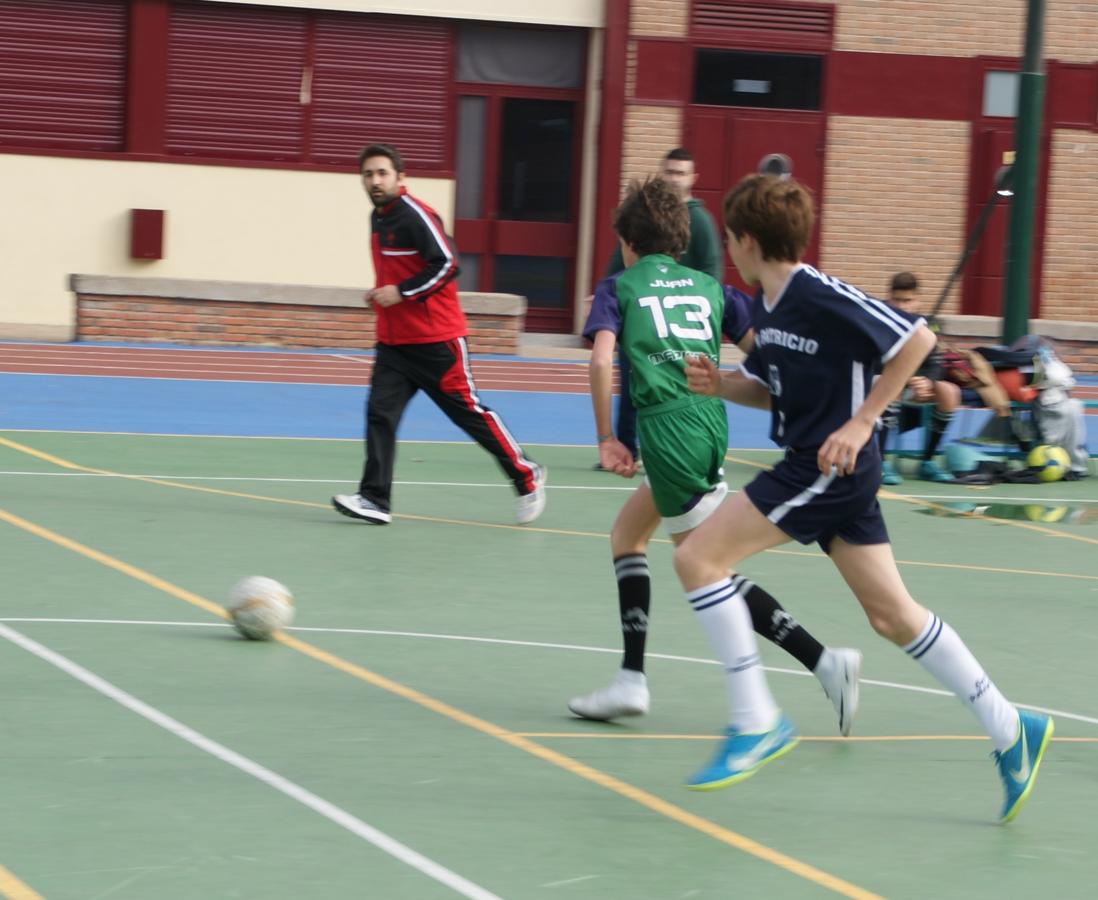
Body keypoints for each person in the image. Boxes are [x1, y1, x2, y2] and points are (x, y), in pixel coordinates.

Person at [678, 172, 1052, 820]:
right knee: (893, 616)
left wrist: (861, 420)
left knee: (698, 559)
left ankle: (756, 720)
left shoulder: (819, 293)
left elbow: (920, 342)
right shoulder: (767, 306)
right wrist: (721, 387)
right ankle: (1010, 727)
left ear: (743, 239)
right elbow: (768, 386)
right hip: (828, 467)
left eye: (730, 240)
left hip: (828, 466)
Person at [569, 176, 862, 741]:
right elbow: (772, 357)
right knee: (627, 535)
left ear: (627, 242)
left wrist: (607, 435)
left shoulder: (620, 287)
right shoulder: (711, 288)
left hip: (668, 430)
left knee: (704, 565)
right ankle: (631, 673)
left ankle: (820, 663)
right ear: (680, 241)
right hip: (708, 420)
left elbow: (603, 360)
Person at [332, 143, 546, 526]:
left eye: (382, 173)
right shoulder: (377, 217)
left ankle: (526, 474)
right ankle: (375, 499)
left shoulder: (416, 214)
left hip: (437, 342)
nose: (375, 181)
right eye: (368, 174)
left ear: (401, 177)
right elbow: (402, 271)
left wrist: (400, 292)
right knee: (380, 415)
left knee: (470, 415)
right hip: (394, 343)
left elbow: (447, 263)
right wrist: (382, 294)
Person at [595, 148, 723, 469]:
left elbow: (712, 271)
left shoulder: (701, 223)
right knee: (632, 385)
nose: (674, 178)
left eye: (681, 173)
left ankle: (643, 447)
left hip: (680, 325)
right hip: (644, 315)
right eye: (669, 171)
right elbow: (619, 260)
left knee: (679, 387)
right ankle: (629, 447)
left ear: (693, 178)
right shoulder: (643, 225)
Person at [877, 272, 959, 484]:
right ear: (888, 298)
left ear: (917, 300)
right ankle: (880, 462)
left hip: (913, 386)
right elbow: (872, 361)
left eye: (908, 301)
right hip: (878, 385)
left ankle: (927, 462)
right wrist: (906, 378)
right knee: (893, 387)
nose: (903, 306)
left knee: (950, 392)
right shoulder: (878, 320)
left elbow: (935, 363)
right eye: (897, 300)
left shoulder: (924, 326)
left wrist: (927, 382)